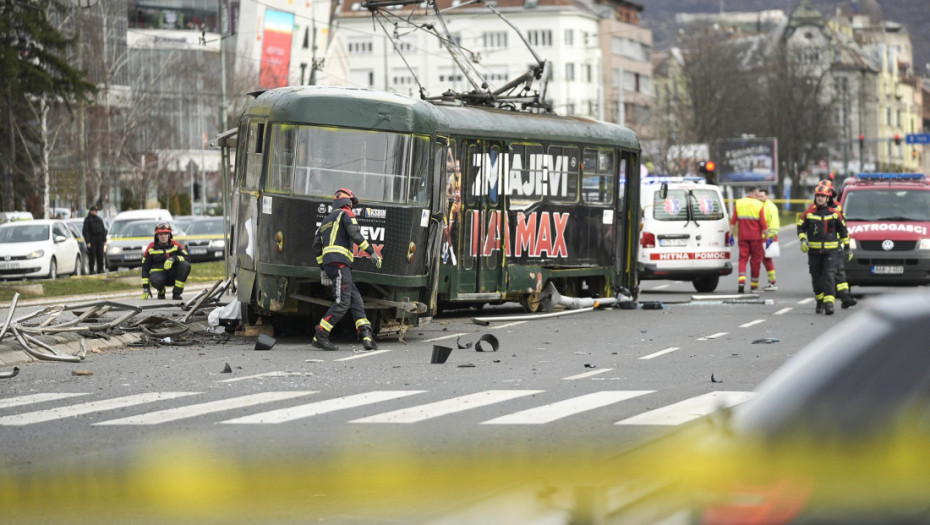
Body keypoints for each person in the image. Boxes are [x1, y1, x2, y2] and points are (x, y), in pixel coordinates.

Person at [311, 188, 383, 351]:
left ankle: (366, 336)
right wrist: (371, 252)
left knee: (355, 299)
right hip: (340, 264)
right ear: (347, 202)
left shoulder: (326, 220)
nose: (352, 207)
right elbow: (355, 234)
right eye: (352, 203)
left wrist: (323, 267)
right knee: (342, 302)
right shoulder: (346, 214)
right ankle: (320, 335)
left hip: (334, 265)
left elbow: (316, 245)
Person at [797, 180, 850, 315]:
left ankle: (829, 304)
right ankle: (819, 300)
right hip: (814, 252)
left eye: (822, 196)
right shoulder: (809, 213)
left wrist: (847, 248)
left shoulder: (834, 213)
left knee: (829, 276)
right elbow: (801, 228)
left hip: (831, 252)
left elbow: (843, 232)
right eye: (818, 196)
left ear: (828, 198)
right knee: (816, 278)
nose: (819, 198)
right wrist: (803, 240)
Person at [729, 186, 768, 293]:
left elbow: (733, 222)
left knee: (743, 259)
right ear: (755, 192)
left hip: (743, 237)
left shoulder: (739, 203)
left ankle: (741, 281)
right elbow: (763, 224)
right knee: (755, 261)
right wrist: (767, 238)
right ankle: (754, 286)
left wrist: (731, 235)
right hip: (756, 238)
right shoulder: (759, 204)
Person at [141, 222, 191, 300]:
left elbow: (187, 258)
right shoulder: (151, 248)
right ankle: (161, 291)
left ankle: (176, 293)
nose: (163, 236)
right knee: (157, 280)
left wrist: (174, 258)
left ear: (169, 235)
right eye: (160, 234)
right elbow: (145, 268)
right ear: (157, 236)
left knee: (185, 265)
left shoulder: (175, 245)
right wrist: (146, 287)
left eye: (165, 234)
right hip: (158, 276)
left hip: (172, 275)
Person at [826, 184, 857, 309]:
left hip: (835, 243)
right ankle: (825, 300)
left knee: (839, 271)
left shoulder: (837, 207)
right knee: (826, 274)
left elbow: (842, 225)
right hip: (821, 247)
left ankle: (844, 297)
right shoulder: (815, 209)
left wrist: (846, 244)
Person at [758, 190, 780, 291]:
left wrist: (770, 237)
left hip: (768, 238)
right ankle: (771, 282)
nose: (760, 198)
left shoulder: (770, 207)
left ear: (767, 196)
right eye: (758, 196)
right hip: (763, 237)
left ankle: (772, 283)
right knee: (766, 260)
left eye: (762, 196)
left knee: (767, 260)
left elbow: (773, 223)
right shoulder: (762, 206)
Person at [81, 206, 108, 274]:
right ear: (91, 211)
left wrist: (104, 240)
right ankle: (92, 269)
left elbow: (103, 230)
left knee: (100, 255)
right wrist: (88, 241)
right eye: (95, 211)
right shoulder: (87, 220)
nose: (96, 212)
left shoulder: (99, 219)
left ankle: (100, 269)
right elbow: (85, 231)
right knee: (92, 255)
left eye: (96, 211)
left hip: (100, 239)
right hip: (92, 239)